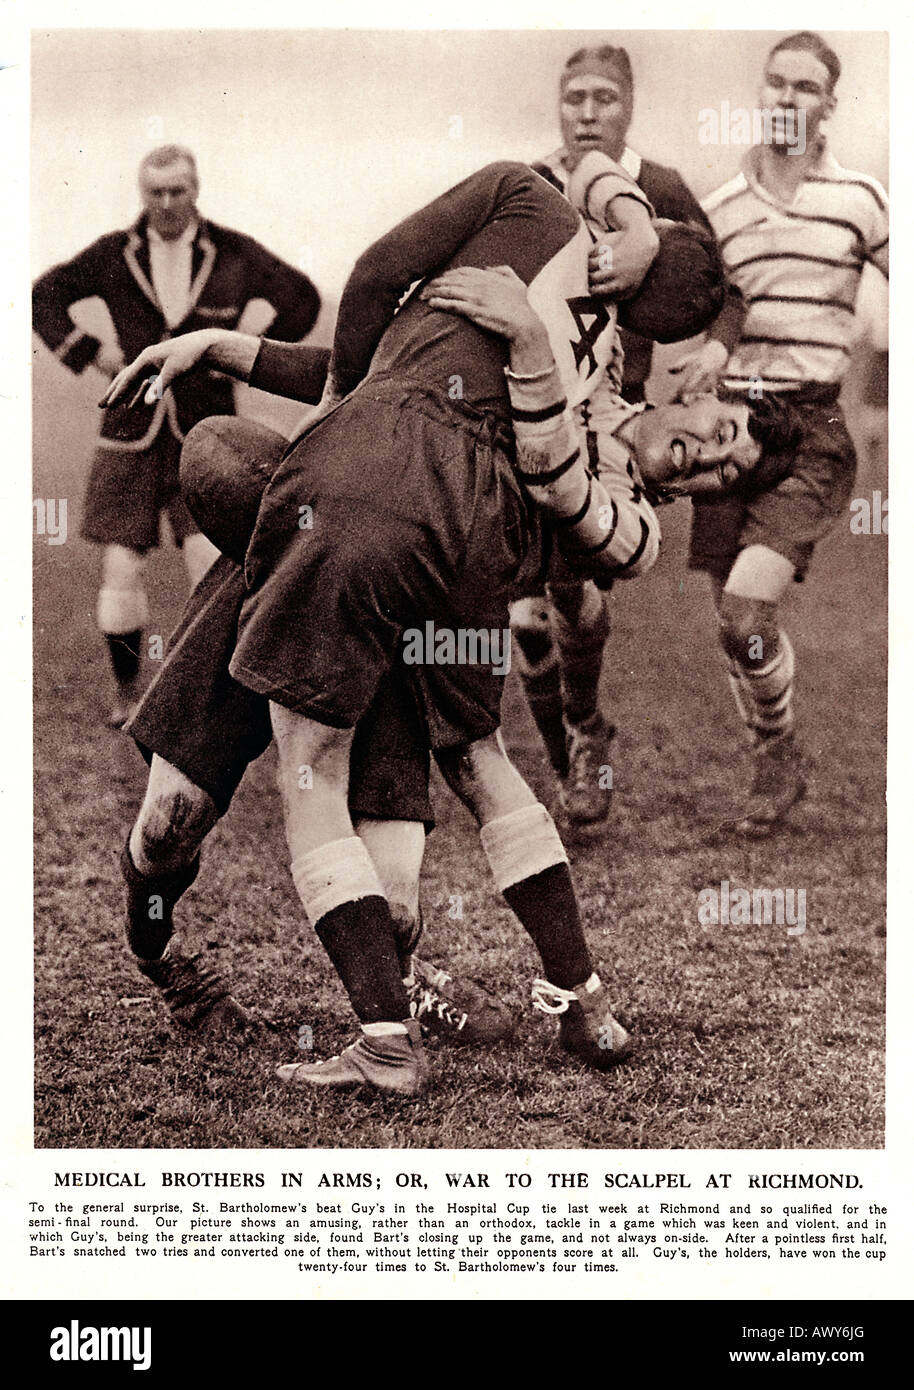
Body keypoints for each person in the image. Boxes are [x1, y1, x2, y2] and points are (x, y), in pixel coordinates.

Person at [105, 156, 729, 1096]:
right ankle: (170, 964)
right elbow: (365, 367)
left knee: (399, 868)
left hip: (411, 551)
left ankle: (399, 1008)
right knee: (166, 830)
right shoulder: (520, 271)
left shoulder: (580, 375)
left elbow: (551, 476)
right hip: (322, 528)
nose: (709, 442)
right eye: (713, 430)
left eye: (716, 456)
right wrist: (217, 348)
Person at [512, 43, 748, 829]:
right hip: (519, 417)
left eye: (604, 98)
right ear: (557, 104)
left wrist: (709, 355)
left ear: (630, 107)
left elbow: (725, 289)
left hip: (609, 427)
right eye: (573, 96)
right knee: (523, 615)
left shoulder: (662, 188)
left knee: (573, 597)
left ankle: (585, 732)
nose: (587, 111)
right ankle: (569, 751)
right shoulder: (533, 181)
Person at [669, 31, 889, 834]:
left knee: (743, 611)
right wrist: (704, 357)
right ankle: (779, 750)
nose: (788, 99)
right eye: (776, 83)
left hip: (816, 427)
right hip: (732, 429)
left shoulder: (861, 200)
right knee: (733, 626)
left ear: (830, 105)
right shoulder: (719, 209)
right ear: (760, 94)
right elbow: (711, 304)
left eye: (806, 87)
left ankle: (773, 754)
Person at [32, 144, 321, 727]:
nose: (166, 204)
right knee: (120, 568)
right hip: (129, 428)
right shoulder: (115, 254)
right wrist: (94, 354)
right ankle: (128, 695)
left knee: (211, 566)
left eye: (177, 191)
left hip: (209, 430)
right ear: (142, 195)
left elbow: (303, 298)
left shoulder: (235, 253)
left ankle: (213, 699)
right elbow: (44, 296)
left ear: (196, 189)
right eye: (154, 193)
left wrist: (242, 351)